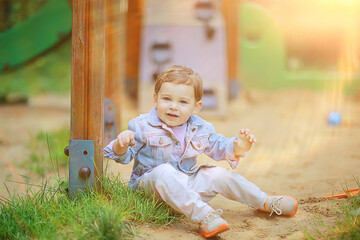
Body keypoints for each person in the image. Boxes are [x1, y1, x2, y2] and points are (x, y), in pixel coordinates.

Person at [104, 65, 298, 238]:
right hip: (152, 190)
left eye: (182, 102)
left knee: (217, 173)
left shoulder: (200, 128)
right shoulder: (141, 125)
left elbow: (220, 146)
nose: (173, 106)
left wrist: (240, 146)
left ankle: (264, 202)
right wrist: (120, 143)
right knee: (164, 171)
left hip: (186, 186)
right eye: (166, 99)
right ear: (155, 99)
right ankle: (206, 216)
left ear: (196, 107)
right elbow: (124, 156)